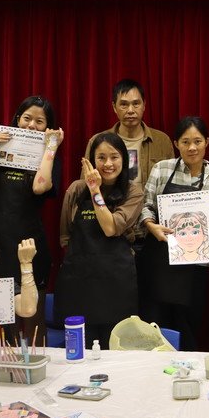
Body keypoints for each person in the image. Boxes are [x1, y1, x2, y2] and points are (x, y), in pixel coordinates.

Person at [138, 117, 209, 350]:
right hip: (159, 261)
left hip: (195, 267)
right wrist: (151, 225)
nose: (192, 147)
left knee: (187, 328)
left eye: (197, 141)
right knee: (155, 327)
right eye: (185, 142)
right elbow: (146, 206)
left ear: (207, 142)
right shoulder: (162, 169)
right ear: (176, 144)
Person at [55, 132, 144, 347]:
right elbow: (65, 235)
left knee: (114, 348)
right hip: (79, 281)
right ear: (92, 160)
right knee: (80, 348)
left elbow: (111, 228)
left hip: (116, 282)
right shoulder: (77, 189)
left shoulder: (133, 191)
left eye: (114, 157)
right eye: (101, 158)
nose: (108, 164)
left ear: (124, 159)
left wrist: (95, 189)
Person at [0, 96, 63, 289]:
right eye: (27, 118)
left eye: (39, 121)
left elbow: (39, 187)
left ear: (47, 127)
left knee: (28, 302)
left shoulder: (50, 158)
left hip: (28, 243)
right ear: (18, 119)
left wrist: (51, 147)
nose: (31, 125)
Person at [84, 79, 174, 248]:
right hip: (112, 230)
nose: (131, 110)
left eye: (136, 103)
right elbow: (87, 185)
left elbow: (170, 187)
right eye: (124, 104)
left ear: (144, 105)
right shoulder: (97, 141)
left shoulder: (162, 141)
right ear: (114, 107)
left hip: (153, 231)